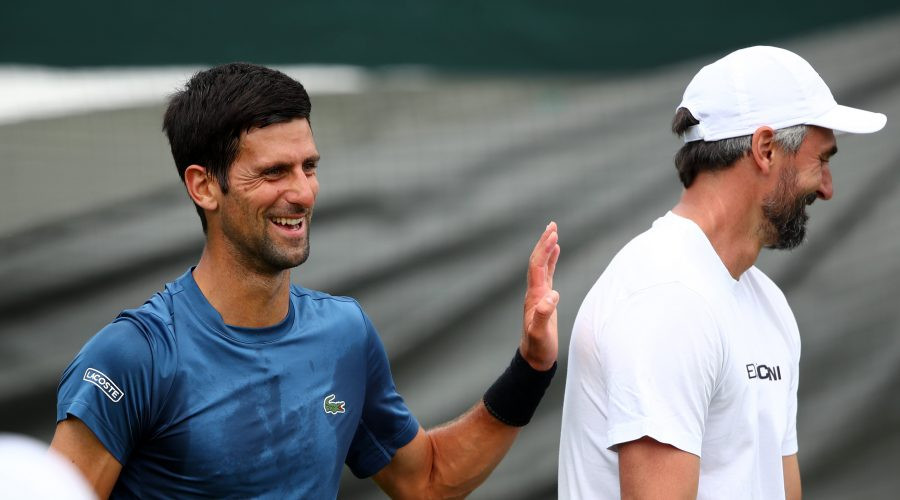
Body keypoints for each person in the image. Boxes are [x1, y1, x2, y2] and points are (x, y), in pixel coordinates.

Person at [50, 62, 561, 499]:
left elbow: (428, 479)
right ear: (204, 186)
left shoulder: (344, 333)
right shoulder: (131, 357)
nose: (303, 192)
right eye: (274, 172)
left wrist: (532, 366)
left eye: (309, 166)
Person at [558, 46, 886, 499]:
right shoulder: (667, 298)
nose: (827, 189)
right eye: (823, 160)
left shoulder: (765, 301)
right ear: (765, 149)